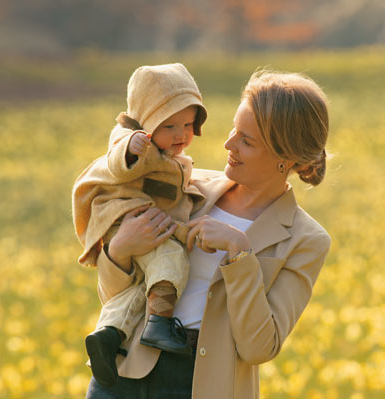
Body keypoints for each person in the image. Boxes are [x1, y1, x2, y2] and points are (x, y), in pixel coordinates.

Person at [80, 69, 332, 399]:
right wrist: (120, 251)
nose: (229, 144)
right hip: (122, 372)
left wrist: (240, 253)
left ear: (285, 158)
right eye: (234, 131)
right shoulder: (184, 187)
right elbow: (115, 298)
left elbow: (259, 346)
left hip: (200, 387)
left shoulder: (306, 239)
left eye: (247, 141)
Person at [72, 63, 208, 387]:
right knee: (171, 259)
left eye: (188, 124)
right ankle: (160, 322)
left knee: (137, 290)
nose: (181, 135)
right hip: (127, 216)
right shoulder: (133, 141)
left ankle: (108, 335)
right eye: (170, 125)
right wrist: (131, 146)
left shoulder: (172, 156)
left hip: (134, 220)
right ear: (146, 124)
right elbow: (117, 158)